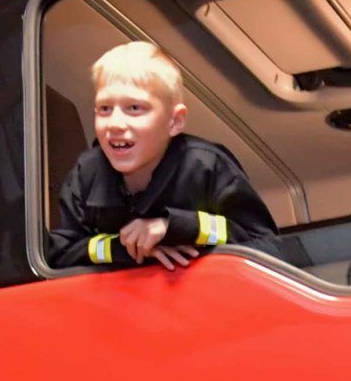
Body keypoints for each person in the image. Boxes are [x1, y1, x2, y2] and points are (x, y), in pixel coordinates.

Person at [47, 41, 276, 271]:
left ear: (175, 121)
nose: (114, 124)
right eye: (104, 109)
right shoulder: (87, 173)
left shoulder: (206, 166)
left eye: (134, 108)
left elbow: (266, 245)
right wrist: (124, 247)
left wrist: (176, 227)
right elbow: (59, 252)